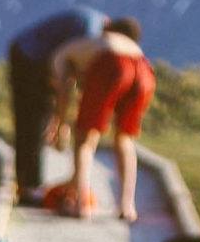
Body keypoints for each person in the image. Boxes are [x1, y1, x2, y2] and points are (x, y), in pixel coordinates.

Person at [48, 18, 155, 222]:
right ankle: (127, 206)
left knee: (84, 140)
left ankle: (81, 206)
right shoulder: (113, 43)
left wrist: (60, 125)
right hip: (143, 68)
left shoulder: (62, 53)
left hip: (111, 64)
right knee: (124, 138)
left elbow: (64, 92)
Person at [6, 6, 107, 203]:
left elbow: (69, 79)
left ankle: (27, 184)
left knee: (36, 118)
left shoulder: (93, 23)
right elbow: (66, 82)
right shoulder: (90, 35)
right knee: (33, 119)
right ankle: (30, 188)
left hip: (31, 53)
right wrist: (60, 124)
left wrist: (59, 120)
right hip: (29, 57)